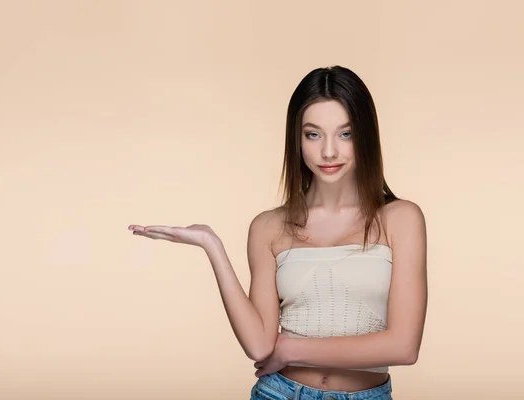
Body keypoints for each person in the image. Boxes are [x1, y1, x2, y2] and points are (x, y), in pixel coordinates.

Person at [128, 65, 428, 400]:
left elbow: (404, 347)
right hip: (280, 392)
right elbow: (259, 344)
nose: (329, 151)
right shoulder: (268, 227)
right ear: (296, 139)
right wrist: (211, 245)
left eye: (346, 134)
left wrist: (291, 349)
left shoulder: (401, 219)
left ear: (366, 137)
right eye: (313, 134)